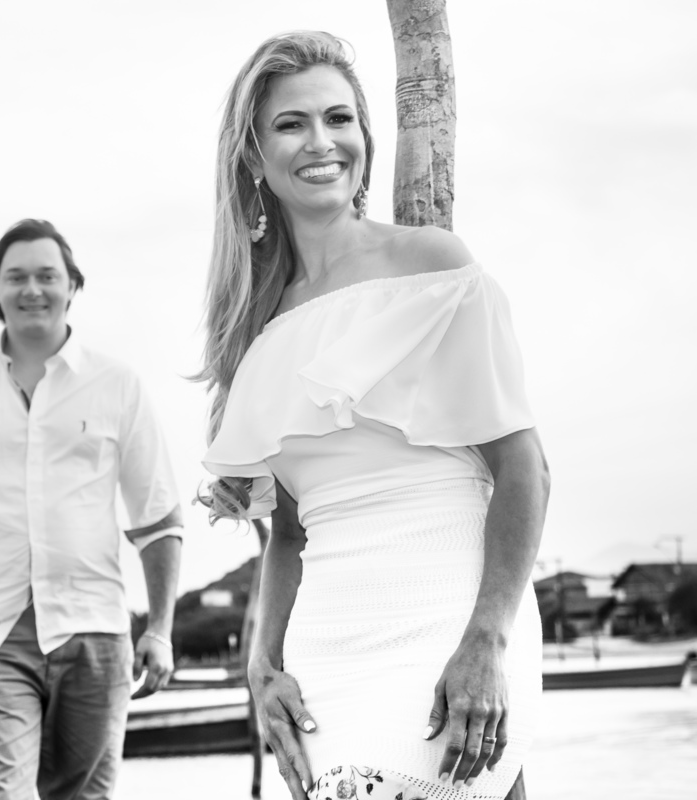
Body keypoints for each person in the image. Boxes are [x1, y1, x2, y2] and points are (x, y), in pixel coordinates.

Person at [198, 32, 548, 800]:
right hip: (328, 657)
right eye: (291, 124)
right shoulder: (255, 330)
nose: (322, 142)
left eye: (338, 118)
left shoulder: (435, 265)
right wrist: (262, 666)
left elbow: (526, 471)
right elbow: (290, 533)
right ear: (253, 155)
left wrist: (489, 640)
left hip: (451, 623)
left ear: (364, 133)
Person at [0, 218, 184, 800]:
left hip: (95, 631)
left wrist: (160, 629)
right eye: (16, 277)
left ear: (71, 285)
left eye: (47, 275)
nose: (33, 289)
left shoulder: (117, 384)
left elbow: (157, 519)